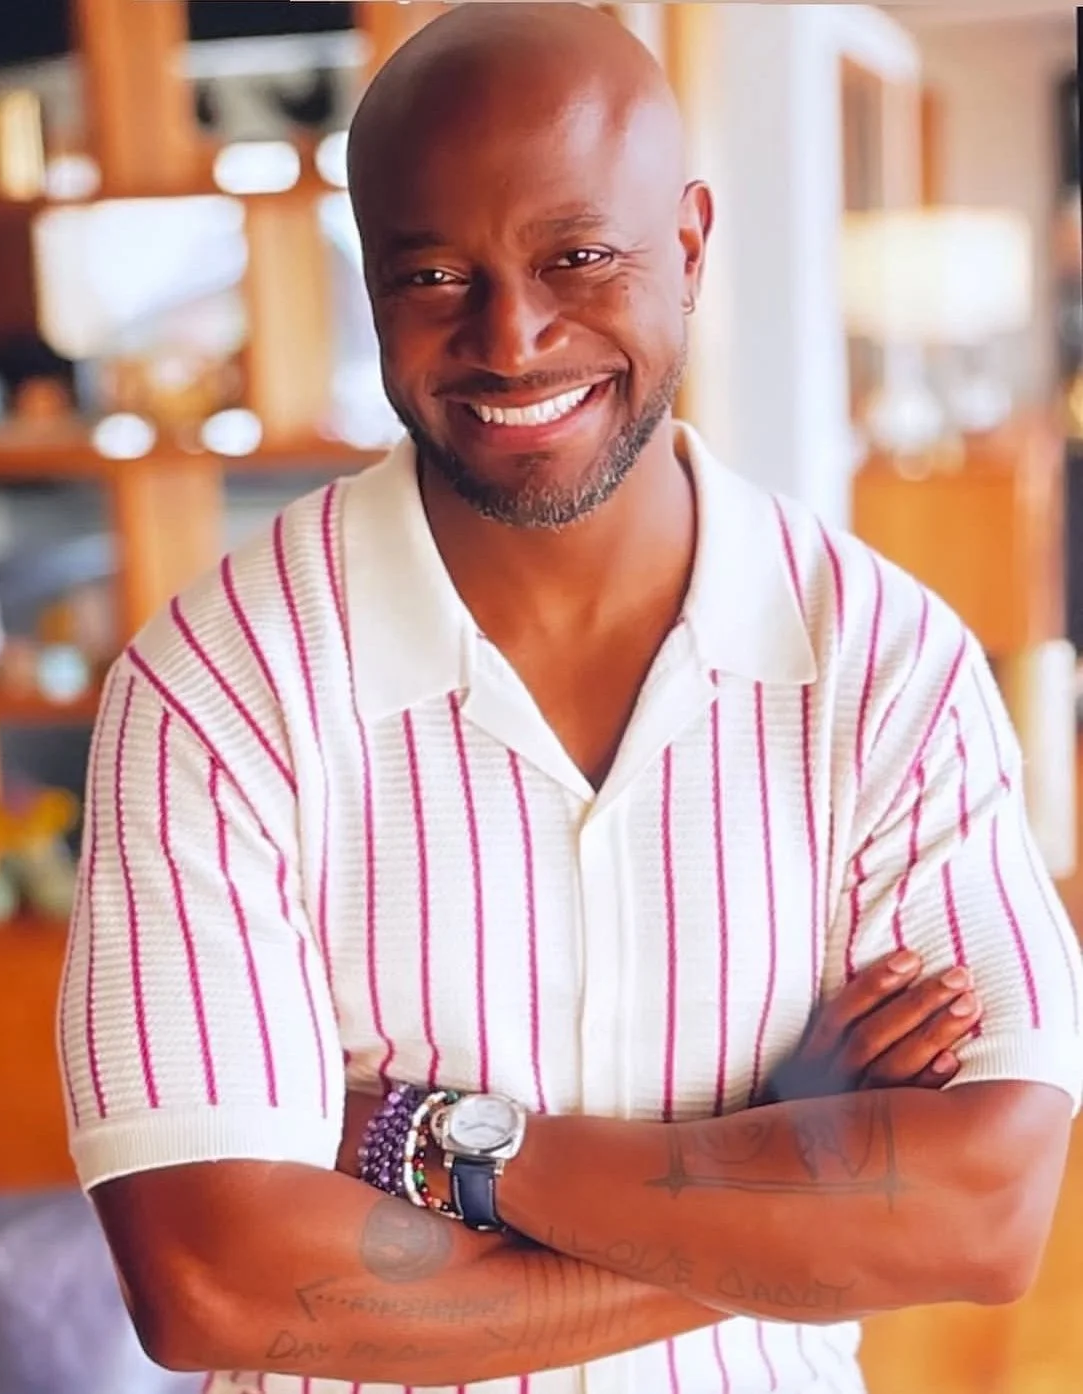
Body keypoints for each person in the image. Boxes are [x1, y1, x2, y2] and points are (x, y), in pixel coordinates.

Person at [56, 6, 1083, 1394]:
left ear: (691, 246)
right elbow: (213, 1282)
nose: (512, 337)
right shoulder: (213, 690)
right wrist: (795, 1169)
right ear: (370, 279)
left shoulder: (888, 664)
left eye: (578, 256)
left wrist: (436, 1143)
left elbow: (984, 1211)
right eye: (433, 274)